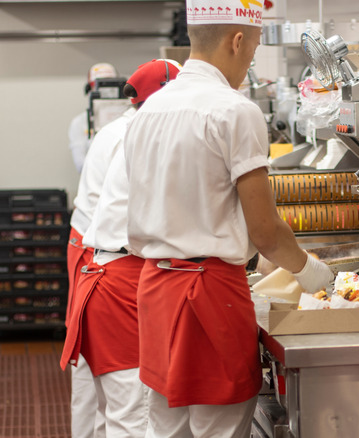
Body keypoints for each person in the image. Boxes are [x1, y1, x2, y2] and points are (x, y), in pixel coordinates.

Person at [122, 1, 334, 436]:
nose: (250, 63)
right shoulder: (234, 110)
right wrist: (312, 272)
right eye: (254, 52)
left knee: (164, 427)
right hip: (209, 296)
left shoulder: (148, 112)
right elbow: (265, 232)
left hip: (156, 290)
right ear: (237, 41)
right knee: (218, 429)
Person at [61, 59, 181, 437]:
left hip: (99, 263)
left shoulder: (123, 128)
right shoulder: (145, 136)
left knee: (106, 401)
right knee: (133, 411)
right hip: (117, 272)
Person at [65, 62, 121, 438]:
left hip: (106, 247)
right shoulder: (85, 126)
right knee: (88, 358)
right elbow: (82, 163)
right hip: (89, 245)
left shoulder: (132, 127)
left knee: (110, 369)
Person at [68, 63, 118, 173]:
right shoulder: (79, 123)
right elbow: (81, 165)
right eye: (99, 85)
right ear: (89, 89)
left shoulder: (130, 118)